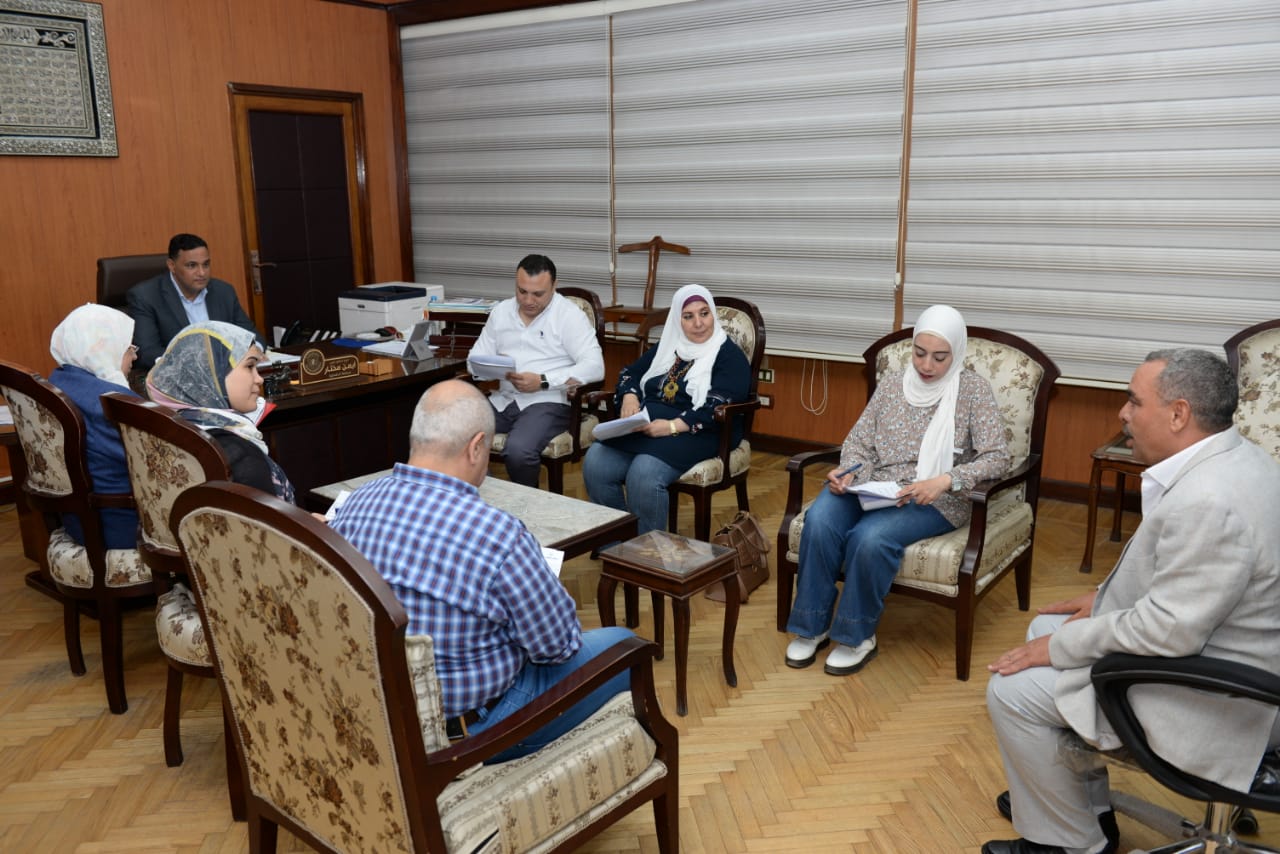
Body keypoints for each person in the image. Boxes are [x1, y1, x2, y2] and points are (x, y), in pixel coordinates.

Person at [982, 349, 1280, 854]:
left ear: (1179, 414)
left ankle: (1072, 845)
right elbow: (1197, 582)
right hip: (1233, 654)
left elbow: (1170, 631)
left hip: (1222, 697)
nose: (1123, 413)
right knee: (1042, 631)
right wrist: (1103, 599)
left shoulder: (1209, 500)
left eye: (1134, 401)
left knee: (1012, 690)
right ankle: (1080, 809)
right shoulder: (1242, 457)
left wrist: (1060, 648)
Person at [329, 379, 633, 760]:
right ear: (476, 448)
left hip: (376, 710)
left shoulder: (354, 504)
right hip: (471, 735)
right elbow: (559, 646)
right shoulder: (497, 535)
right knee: (624, 646)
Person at [784, 305, 1009, 676]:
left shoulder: (973, 391)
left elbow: (997, 458)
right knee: (821, 518)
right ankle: (812, 625)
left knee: (869, 538)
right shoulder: (892, 384)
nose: (926, 365)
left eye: (939, 357)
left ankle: (857, 636)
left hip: (934, 497)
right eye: (919, 353)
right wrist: (848, 473)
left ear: (956, 352)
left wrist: (945, 480)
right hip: (876, 486)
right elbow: (859, 442)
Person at [582, 284, 752, 536]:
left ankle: (647, 552)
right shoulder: (670, 346)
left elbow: (717, 406)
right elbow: (630, 373)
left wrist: (672, 426)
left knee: (644, 473)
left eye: (704, 313)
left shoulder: (728, 355)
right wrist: (629, 397)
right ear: (677, 321)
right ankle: (617, 545)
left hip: (701, 432)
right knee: (596, 462)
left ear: (712, 315)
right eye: (688, 316)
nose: (698, 323)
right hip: (649, 425)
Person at [466, 254, 604, 488]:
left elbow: (595, 366)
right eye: (522, 291)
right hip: (504, 399)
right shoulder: (501, 312)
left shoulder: (569, 315)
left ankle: (527, 505)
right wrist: (496, 369)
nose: (528, 300)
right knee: (458, 432)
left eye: (538, 294)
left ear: (554, 286)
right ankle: (483, 495)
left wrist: (543, 381)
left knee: (519, 450)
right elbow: (473, 362)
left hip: (548, 402)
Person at [145, 321, 294, 504]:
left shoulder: (176, 426)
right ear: (212, 374)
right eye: (249, 366)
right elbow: (267, 520)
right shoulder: (239, 454)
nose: (259, 379)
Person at [46, 304, 142, 550]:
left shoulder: (59, 381)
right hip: (123, 525)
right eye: (129, 348)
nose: (134, 357)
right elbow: (155, 462)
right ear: (102, 347)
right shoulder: (114, 405)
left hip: (79, 520)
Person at [126, 233, 263, 369]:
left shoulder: (223, 292)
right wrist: (198, 362)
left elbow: (252, 337)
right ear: (172, 265)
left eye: (206, 264)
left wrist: (254, 351)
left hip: (229, 373)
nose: (202, 273)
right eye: (192, 265)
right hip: (177, 377)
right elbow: (147, 353)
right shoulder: (146, 297)